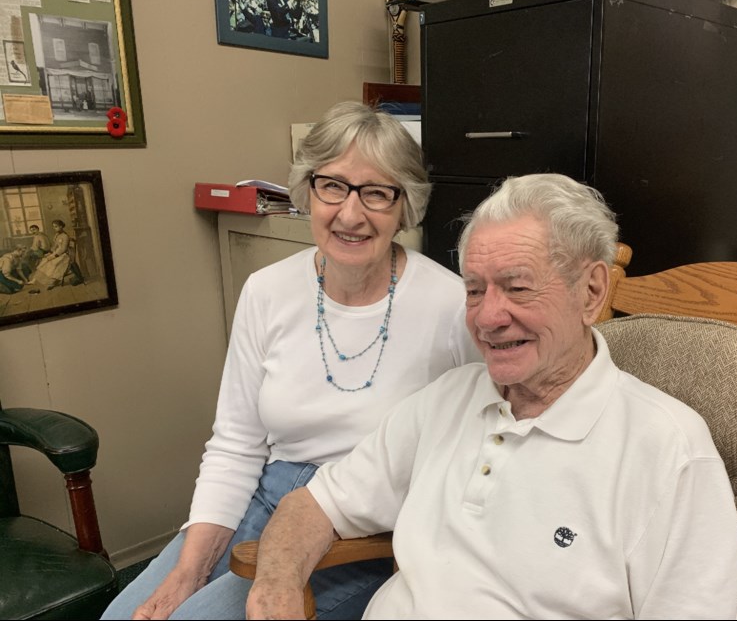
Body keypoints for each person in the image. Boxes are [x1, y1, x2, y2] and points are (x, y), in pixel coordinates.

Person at [246, 173, 737, 619]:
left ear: (592, 292)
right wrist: (276, 585)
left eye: (517, 288)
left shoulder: (668, 450)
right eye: (473, 290)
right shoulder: (448, 398)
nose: (488, 317)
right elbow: (315, 504)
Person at [101, 101, 480, 620]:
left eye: (376, 193)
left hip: (364, 529)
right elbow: (236, 445)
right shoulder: (267, 291)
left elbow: (473, 457)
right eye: (333, 186)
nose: (350, 214)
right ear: (307, 190)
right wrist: (186, 573)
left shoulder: (450, 306)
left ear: (405, 206)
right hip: (265, 496)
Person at [28, 219, 84, 289]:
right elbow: (55, 246)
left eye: (56, 226)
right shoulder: (57, 235)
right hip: (57, 253)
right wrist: (50, 253)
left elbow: (63, 249)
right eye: (54, 227)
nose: (55, 228)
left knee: (52, 263)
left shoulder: (65, 236)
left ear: (61, 226)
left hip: (64, 255)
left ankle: (53, 281)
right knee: (45, 260)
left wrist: (54, 256)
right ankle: (48, 281)